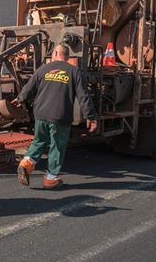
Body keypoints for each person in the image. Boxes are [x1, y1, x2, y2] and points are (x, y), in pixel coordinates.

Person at [12, 44, 97, 189]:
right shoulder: (74, 71)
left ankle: (26, 163)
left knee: (39, 141)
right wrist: (91, 116)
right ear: (67, 56)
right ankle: (51, 179)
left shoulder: (43, 69)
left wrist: (20, 99)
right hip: (60, 115)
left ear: (56, 53)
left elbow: (29, 87)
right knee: (57, 146)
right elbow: (84, 96)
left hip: (41, 114)